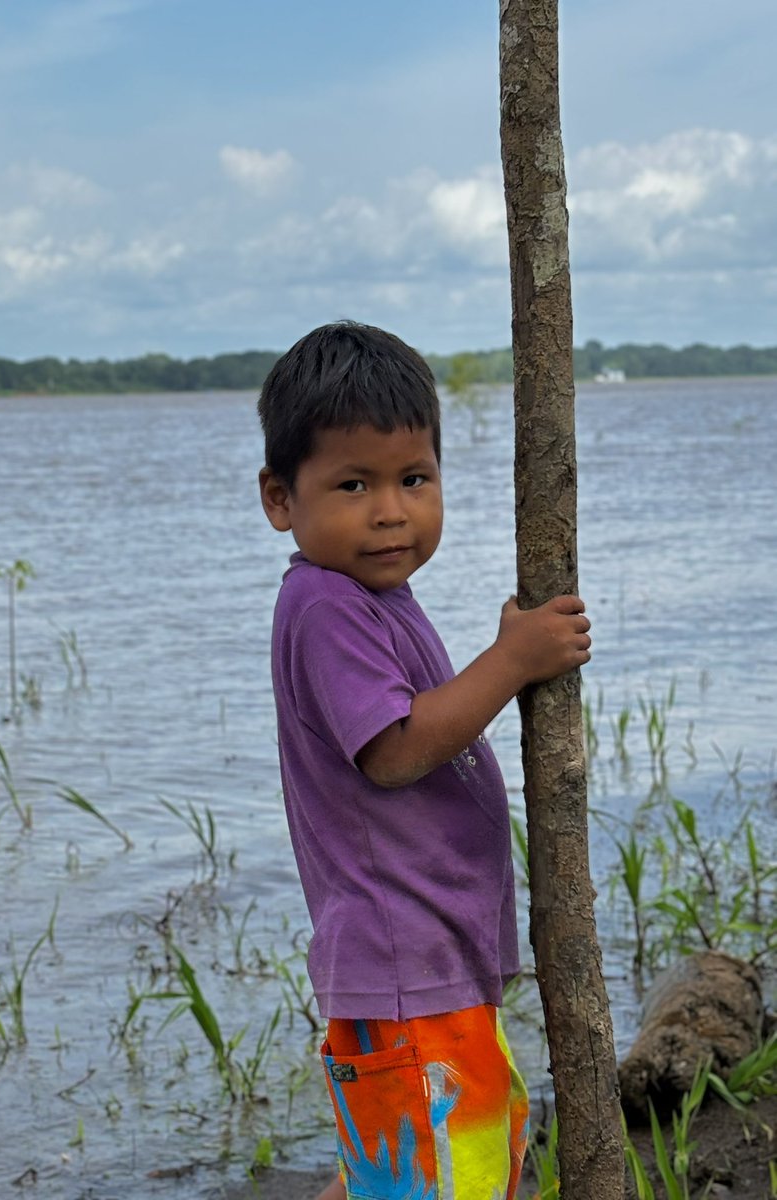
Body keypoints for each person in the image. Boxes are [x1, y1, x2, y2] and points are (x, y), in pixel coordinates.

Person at [257, 321, 591, 1200]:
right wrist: (513, 661)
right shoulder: (327, 606)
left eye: (413, 479)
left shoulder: (369, 595)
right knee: (452, 1178)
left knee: (427, 1172)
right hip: (405, 971)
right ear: (280, 499)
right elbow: (396, 751)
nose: (390, 511)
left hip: (420, 969)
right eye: (353, 484)